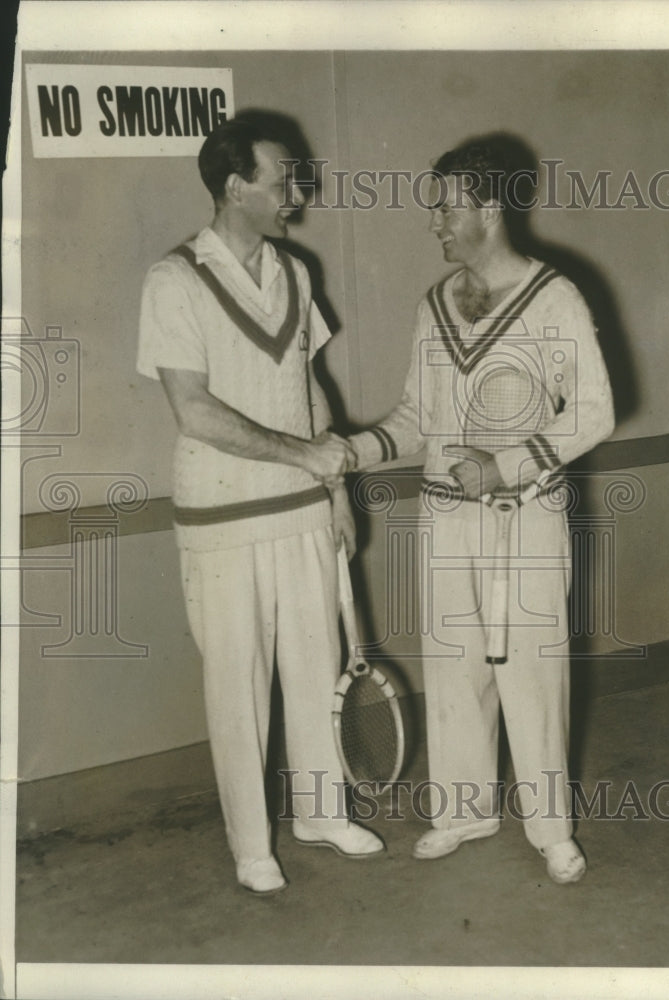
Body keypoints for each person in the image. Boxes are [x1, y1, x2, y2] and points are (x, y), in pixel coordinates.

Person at [346, 134, 614, 884]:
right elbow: (414, 414)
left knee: (531, 672)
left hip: (524, 518)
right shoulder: (432, 306)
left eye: (445, 207)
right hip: (444, 519)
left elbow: (594, 410)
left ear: (488, 210)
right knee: (454, 667)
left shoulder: (555, 296)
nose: (434, 221)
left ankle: (550, 830)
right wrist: (360, 449)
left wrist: (506, 462)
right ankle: (463, 811)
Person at [137, 112, 384, 896]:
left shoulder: (295, 271)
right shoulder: (172, 278)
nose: (295, 192)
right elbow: (195, 412)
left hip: (302, 512)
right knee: (237, 686)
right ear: (234, 185)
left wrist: (334, 489)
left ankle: (319, 812)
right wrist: (302, 457)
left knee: (315, 669)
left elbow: (307, 387)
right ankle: (252, 844)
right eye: (283, 179)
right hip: (221, 518)